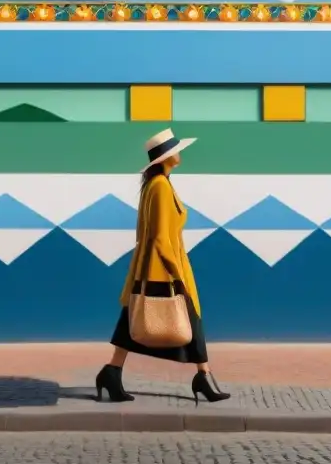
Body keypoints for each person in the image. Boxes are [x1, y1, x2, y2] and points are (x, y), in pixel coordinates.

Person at [95, 128, 231, 405]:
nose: (179, 153)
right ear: (167, 157)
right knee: (185, 316)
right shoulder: (159, 187)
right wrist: (177, 274)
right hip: (161, 269)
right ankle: (201, 377)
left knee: (133, 323)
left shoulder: (160, 184)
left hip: (154, 268)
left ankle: (112, 372)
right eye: (175, 150)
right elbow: (159, 238)